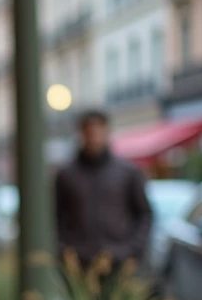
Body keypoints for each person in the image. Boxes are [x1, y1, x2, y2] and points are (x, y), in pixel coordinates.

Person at [55, 109, 152, 274]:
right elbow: (55, 216)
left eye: (98, 132)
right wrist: (64, 249)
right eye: (89, 132)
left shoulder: (127, 172)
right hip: (79, 262)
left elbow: (144, 213)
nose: (94, 138)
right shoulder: (66, 175)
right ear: (81, 134)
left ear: (106, 133)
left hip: (118, 260)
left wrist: (133, 250)